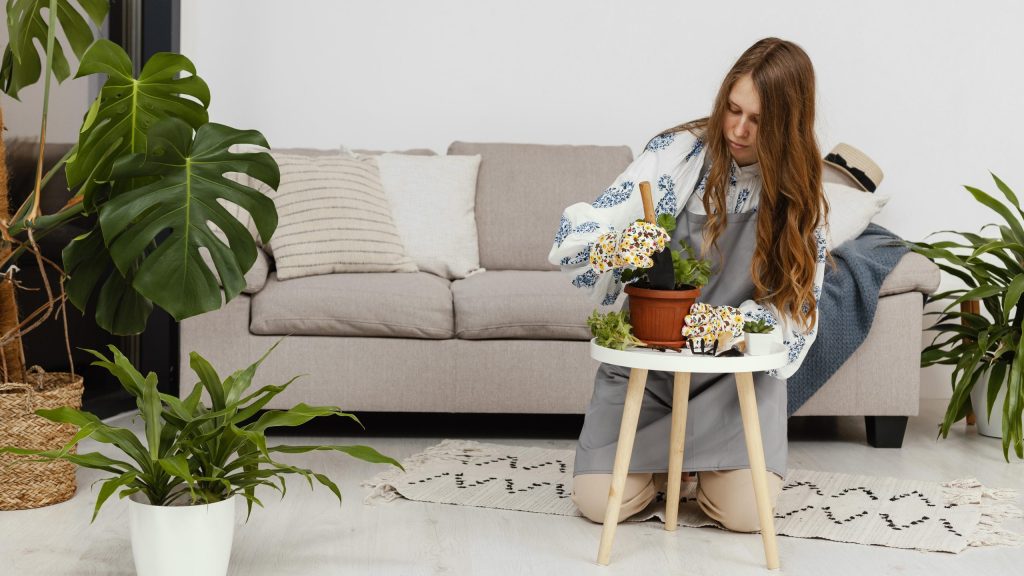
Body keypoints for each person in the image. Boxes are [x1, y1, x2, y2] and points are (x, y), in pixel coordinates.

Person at [547, 37, 830, 533]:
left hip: (733, 382)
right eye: (733, 109)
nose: (738, 130)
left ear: (788, 125)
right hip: (650, 373)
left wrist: (736, 326)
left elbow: (797, 310)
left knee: (747, 515)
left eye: (758, 120)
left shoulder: (800, 194)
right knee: (598, 502)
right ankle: (671, 470)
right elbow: (592, 225)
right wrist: (615, 245)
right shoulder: (678, 156)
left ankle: (695, 468)